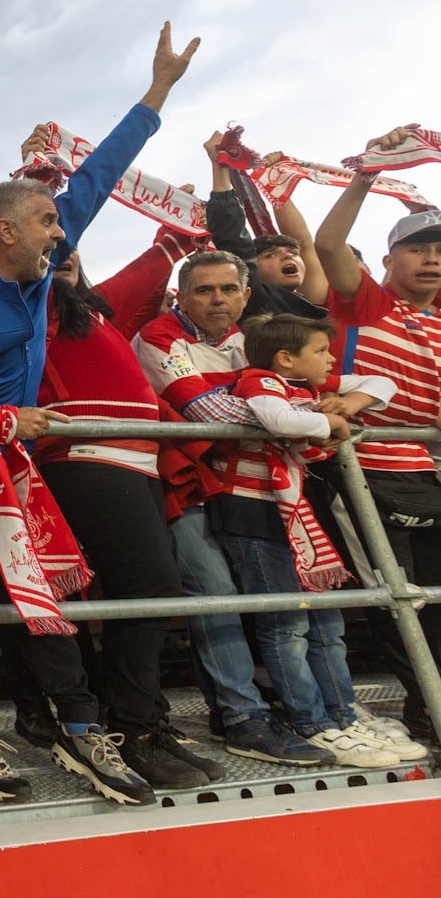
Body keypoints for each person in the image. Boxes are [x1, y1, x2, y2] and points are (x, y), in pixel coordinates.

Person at [0, 22, 197, 807]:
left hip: (16, 469)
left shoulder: (36, 276)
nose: (61, 235)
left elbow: (98, 177)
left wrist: (157, 93)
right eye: (47, 224)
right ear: (6, 232)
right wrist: (0, 416)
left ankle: (76, 725)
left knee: (47, 596)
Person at [32, 228, 224, 789]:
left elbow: (140, 279)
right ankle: (133, 731)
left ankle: (140, 720)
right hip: (84, 454)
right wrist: (48, 184)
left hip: (137, 460)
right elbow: (139, 279)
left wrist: (172, 240)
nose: (60, 254)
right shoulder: (27, 307)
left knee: (138, 595)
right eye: (46, 247)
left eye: (67, 247)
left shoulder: (94, 311)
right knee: (152, 589)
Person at [133, 251, 334, 767]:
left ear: (246, 295)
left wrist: (312, 409)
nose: (218, 299)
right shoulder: (159, 336)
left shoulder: (257, 338)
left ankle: (285, 712)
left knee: (279, 606)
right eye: (204, 290)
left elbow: (330, 387)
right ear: (182, 295)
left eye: (228, 289)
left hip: (255, 489)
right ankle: (243, 718)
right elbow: (210, 412)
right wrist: (299, 412)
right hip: (188, 486)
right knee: (216, 597)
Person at [206, 314, 420, 766]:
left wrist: (346, 404)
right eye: (321, 351)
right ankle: (311, 721)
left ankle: (342, 715)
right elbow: (279, 420)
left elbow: (382, 383)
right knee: (287, 625)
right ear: (287, 359)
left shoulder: (302, 387)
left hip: (294, 514)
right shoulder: (260, 380)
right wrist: (329, 424)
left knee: (326, 622)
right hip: (254, 513)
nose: (329, 360)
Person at [315, 128, 441, 740]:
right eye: (417, 248)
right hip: (368, 467)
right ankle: (427, 714)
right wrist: (364, 174)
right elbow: (328, 242)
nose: (432, 258)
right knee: (401, 600)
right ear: (387, 261)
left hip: (430, 471)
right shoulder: (364, 304)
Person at [203, 132, 329, 320]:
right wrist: (220, 168)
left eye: (293, 253)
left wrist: (276, 184)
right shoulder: (257, 303)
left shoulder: (313, 306)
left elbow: (304, 243)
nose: (287, 255)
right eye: (270, 255)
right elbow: (233, 240)